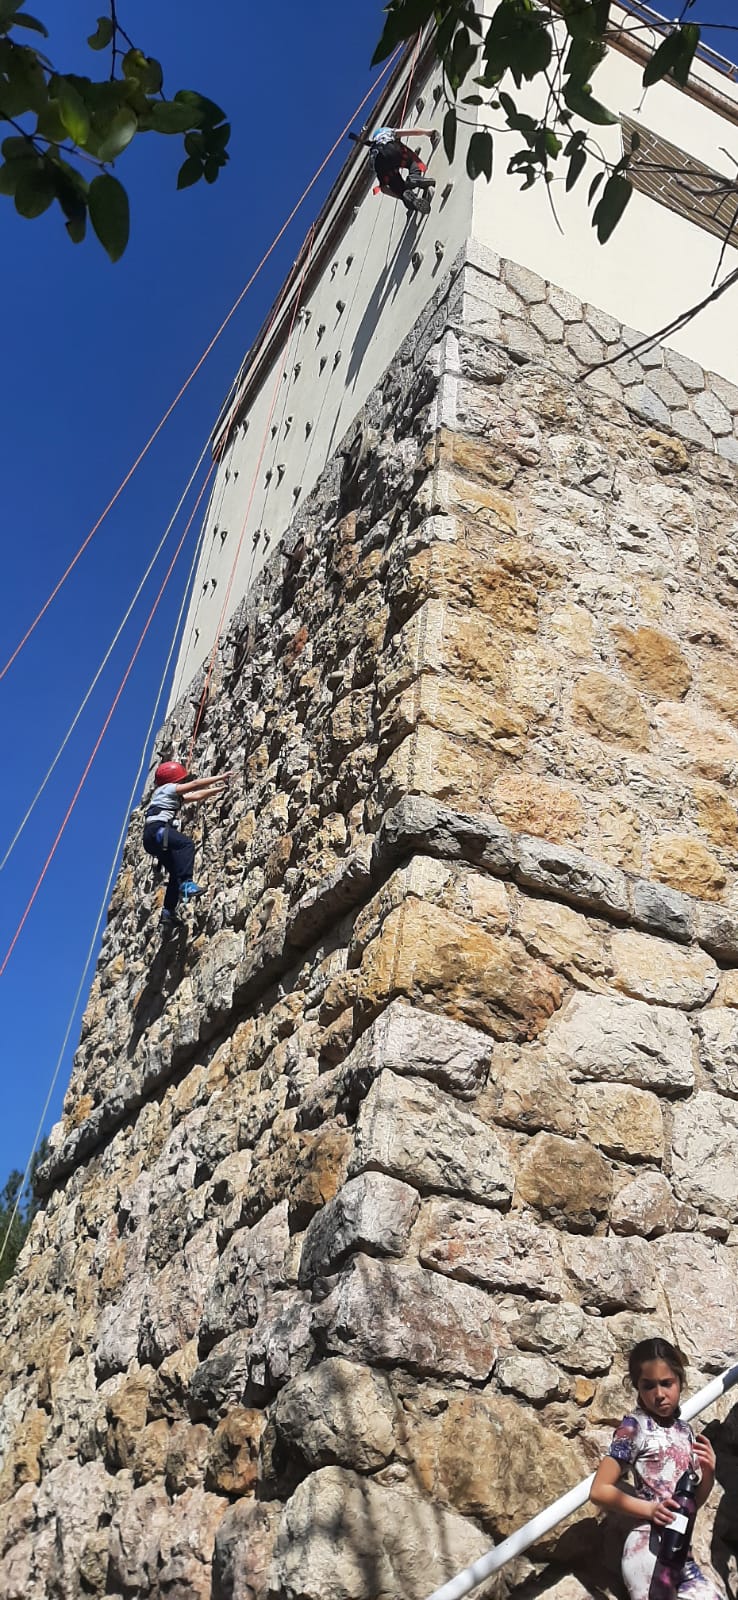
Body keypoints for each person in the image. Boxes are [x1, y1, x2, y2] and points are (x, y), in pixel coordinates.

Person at [590, 1337, 724, 1600]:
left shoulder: (685, 1431)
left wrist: (709, 1474)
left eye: (666, 1383)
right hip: (647, 1551)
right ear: (637, 1388)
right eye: (648, 1386)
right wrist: (651, 1510)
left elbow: (690, 1504)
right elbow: (599, 1490)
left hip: (681, 1551)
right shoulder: (633, 1427)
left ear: (680, 1381)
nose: (659, 1393)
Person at [143, 760, 230, 928]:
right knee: (186, 845)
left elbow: (196, 796)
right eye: (181, 780)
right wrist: (221, 777)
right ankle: (187, 884)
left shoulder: (164, 795)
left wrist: (219, 789)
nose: (182, 782)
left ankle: (168, 912)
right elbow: (195, 785)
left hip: (152, 839)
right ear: (174, 780)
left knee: (175, 872)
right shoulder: (168, 789)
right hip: (158, 831)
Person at [368, 125, 437, 214]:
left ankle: (408, 198)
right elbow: (415, 131)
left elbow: (383, 189)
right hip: (391, 150)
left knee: (399, 187)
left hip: (381, 168)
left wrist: (401, 196)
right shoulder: (385, 132)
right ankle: (414, 177)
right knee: (412, 162)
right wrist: (429, 132)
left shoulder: (372, 151)